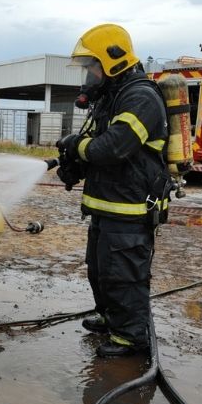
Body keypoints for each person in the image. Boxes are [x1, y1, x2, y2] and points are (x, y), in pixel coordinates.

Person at [56, 23, 170, 358]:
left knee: (124, 276)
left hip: (131, 210)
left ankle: (132, 337)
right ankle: (111, 318)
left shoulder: (141, 97)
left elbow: (114, 147)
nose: (89, 75)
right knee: (100, 270)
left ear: (113, 61)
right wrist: (74, 162)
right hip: (107, 208)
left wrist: (79, 146)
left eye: (91, 66)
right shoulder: (111, 98)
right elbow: (97, 150)